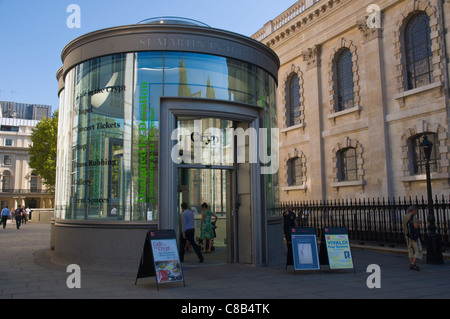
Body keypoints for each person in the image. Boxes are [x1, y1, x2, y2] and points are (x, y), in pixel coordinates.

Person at [403, 205, 423, 271]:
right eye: (416, 210)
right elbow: (416, 226)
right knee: (417, 250)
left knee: (410, 250)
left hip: (407, 235)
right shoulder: (413, 217)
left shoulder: (405, 216)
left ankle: (411, 263)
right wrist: (419, 222)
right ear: (413, 210)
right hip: (413, 236)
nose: (416, 211)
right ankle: (413, 264)